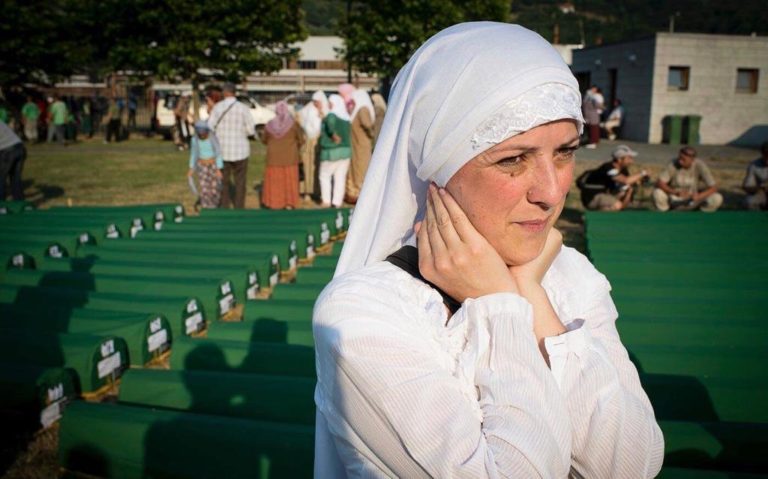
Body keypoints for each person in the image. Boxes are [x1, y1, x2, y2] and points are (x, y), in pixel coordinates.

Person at [312, 22, 664, 478]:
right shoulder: (364, 316)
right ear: (439, 166)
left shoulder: (569, 276)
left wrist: (529, 295)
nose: (553, 192)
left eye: (565, 151)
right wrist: (499, 305)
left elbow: (631, 464)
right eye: (513, 160)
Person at [207, 83, 256, 209]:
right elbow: (251, 130)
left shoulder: (217, 108)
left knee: (223, 181)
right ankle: (239, 206)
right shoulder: (243, 108)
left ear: (224, 93)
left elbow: (210, 127)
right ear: (235, 93)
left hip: (222, 150)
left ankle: (224, 206)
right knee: (240, 182)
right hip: (241, 150)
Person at [259, 101, 303, 209]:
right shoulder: (293, 124)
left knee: (275, 181)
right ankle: (289, 203)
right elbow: (301, 139)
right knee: (289, 181)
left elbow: (264, 140)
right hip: (290, 158)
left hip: (273, 158)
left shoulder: (269, 125)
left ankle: (274, 203)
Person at [653, 145, 723, 212]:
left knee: (717, 198)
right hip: (675, 199)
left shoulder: (700, 165)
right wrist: (675, 192)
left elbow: (714, 187)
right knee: (658, 193)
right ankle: (665, 214)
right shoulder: (673, 163)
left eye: (683, 159)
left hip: (693, 199)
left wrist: (699, 196)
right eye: (679, 158)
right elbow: (660, 183)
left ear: (692, 160)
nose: (680, 161)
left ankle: (702, 216)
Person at [579, 144, 649, 211]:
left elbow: (628, 184)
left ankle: (601, 217)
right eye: (629, 158)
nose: (631, 161)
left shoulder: (623, 170)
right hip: (592, 197)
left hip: (605, 194)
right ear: (619, 159)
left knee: (624, 194)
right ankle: (596, 217)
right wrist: (642, 173)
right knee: (616, 205)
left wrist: (631, 191)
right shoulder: (608, 167)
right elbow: (626, 181)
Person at [318, 94, 351, 208]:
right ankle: (337, 202)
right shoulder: (346, 118)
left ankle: (326, 200)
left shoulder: (332, 115)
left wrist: (333, 135)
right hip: (346, 151)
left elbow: (330, 125)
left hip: (331, 151)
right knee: (340, 177)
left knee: (324, 175)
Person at [344, 89, 376, 204]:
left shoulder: (361, 109)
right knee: (358, 168)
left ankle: (359, 193)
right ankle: (357, 193)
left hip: (361, 145)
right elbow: (366, 124)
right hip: (359, 144)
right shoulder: (360, 109)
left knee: (360, 168)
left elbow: (366, 124)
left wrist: (371, 134)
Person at [298, 91, 327, 201]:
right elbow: (300, 119)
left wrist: (322, 114)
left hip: (320, 143)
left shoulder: (326, 111)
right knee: (308, 167)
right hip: (309, 144)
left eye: (317, 102)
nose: (315, 104)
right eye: (314, 101)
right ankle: (307, 192)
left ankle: (318, 191)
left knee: (319, 168)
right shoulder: (308, 109)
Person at [188, 120, 223, 209]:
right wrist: (192, 168)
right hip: (202, 166)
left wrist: (219, 169)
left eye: (204, 133)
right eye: (200, 134)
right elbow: (194, 154)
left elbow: (218, 152)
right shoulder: (195, 140)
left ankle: (214, 206)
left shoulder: (212, 139)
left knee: (214, 188)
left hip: (213, 166)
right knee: (204, 188)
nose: (202, 135)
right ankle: (206, 206)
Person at [0, 121, 26, 200]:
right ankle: (19, 202)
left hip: (7, 151)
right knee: (15, 178)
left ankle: (1, 205)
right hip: (20, 148)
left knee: (1, 178)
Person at [742, 141, 768, 210]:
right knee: (749, 202)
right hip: (762, 194)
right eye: (766, 155)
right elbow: (747, 186)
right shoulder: (754, 165)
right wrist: (761, 188)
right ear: (762, 154)